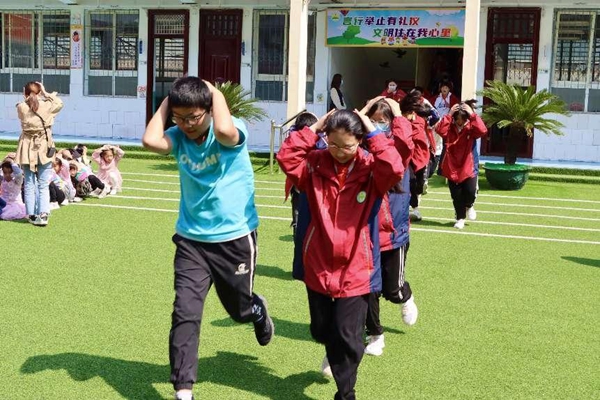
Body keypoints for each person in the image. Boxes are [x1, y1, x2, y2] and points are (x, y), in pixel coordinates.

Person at [142, 76, 274, 400]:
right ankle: (183, 389)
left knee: (238, 310)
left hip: (235, 238)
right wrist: (170, 101)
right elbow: (149, 141)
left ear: (209, 109)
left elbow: (226, 131)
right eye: (180, 117)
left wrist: (212, 90)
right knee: (185, 311)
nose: (186, 125)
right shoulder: (177, 136)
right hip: (191, 241)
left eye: (193, 117)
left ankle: (256, 311)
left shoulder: (231, 130)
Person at [277, 108, 404, 400]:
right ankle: (333, 352)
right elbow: (286, 158)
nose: (339, 152)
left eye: (347, 146)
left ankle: (345, 392)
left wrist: (374, 132)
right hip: (318, 263)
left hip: (356, 267)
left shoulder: (371, 169)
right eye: (333, 144)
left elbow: (395, 167)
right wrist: (314, 128)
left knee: (349, 337)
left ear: (360, 141)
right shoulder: (312, 165)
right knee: (322, 330)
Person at [362, 97, 418, 357]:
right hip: (365, 235)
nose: (376, 126)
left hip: (394, 233)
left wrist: (397, 115)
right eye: (372, 121)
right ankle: (375, 335)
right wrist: (362, 115)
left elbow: (406, 142)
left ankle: (405, 297)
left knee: (390, 290)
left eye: (382, 122)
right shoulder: (359, 150)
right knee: (367, 290)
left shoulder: (398, 153)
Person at [14, 81, 63, 226]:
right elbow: (59, 103)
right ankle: (44, 213)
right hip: (44, 147)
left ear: (25, 92)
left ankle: (32, 214)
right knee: (43, 183)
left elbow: (25, 105)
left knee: (29, 183)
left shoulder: (21, 107)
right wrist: (46, 93)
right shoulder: (47, 105)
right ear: (39, 91)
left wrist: (29, 96)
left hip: (27, 148)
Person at [435, 100, 488, 229]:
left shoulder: (471, 128)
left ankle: (469, 205)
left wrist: (472, 114)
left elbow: (482, 130)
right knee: (456, 195)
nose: (460, 122)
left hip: (468, 165)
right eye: (457, 119)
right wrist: (449, 113)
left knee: (470, 191)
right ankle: (460, 218)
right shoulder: (449, 127)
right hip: (452, 165)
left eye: (462, 119)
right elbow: (440, 130)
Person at [400, 91, 435, 221]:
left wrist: (432, 146)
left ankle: (419, 192)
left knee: (419, 183)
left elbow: (429, 131)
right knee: (411, 182)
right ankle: (414, 208)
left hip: (421, 155)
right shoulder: (401, 120)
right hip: (407, 156)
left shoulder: (421, 119)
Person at [283, 112, 319, 236]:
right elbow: (285, 158)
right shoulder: (294, 142)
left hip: (314, 190)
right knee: (299, 223)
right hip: (299, 190)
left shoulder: (321, 144)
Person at [431, 80, 459, 176]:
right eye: (443, 87)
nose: (444, 89)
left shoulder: (453, 98)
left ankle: (441, 168)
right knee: (435, 145)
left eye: (446, 87)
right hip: (436, 125)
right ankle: (432, 166)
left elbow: (457, 110)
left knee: (445, 146)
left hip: (448, 125)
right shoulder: (435, 98)